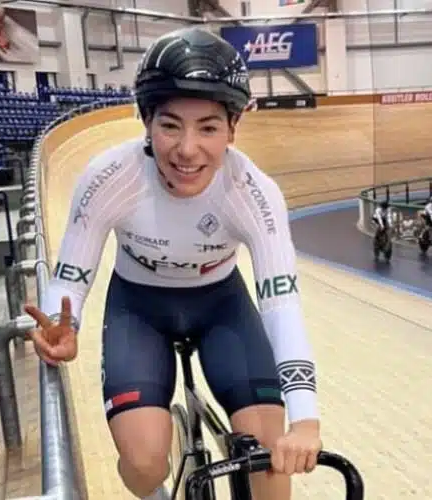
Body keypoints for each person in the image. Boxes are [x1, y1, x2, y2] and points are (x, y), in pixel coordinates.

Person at [24, 27, 320, 500]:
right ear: (146, 122)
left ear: (232, 128)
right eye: (169, 125)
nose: (186, 149)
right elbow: (71, 277)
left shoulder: (254, 193)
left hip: (223, 306)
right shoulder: (108, 177)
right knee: (142, 465)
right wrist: (67, 320)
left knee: (271, 467)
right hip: (139, 311)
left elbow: (282, 307)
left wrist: (304, 418)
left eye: (207, 127)